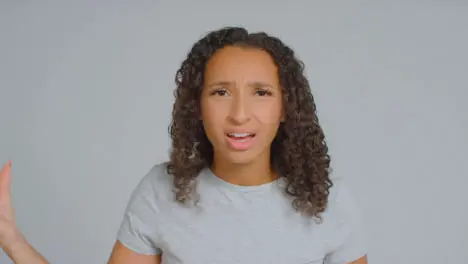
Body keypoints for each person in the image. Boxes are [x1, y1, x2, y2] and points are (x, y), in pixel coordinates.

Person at [0, 27, 368, 264]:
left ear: (286, 107)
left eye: (261, 93)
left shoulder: (329, 199)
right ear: (198, 106)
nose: (240, 114)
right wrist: (13, 241)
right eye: (221, 92)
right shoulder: (161, 191)